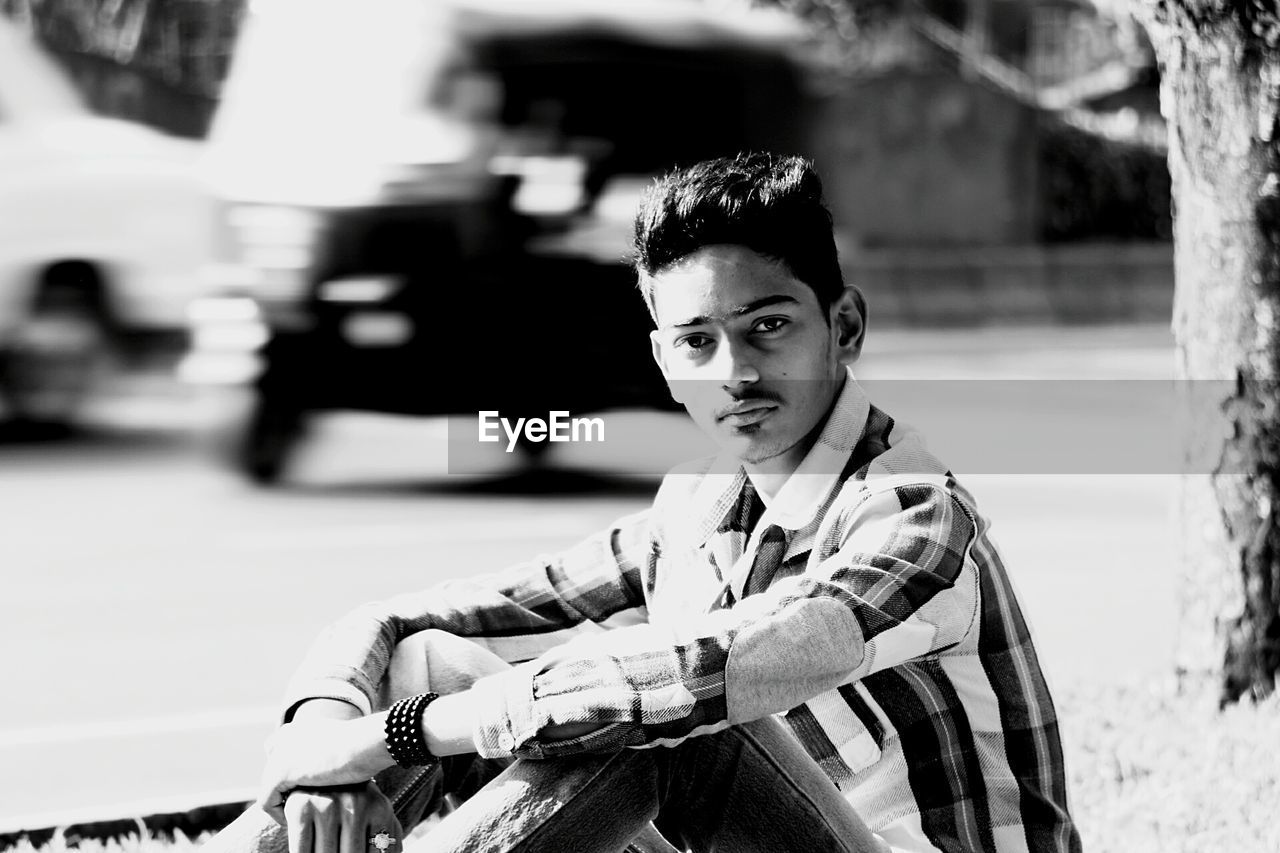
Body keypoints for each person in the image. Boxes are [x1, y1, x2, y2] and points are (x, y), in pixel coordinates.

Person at [204, 153, 1081, 853]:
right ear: (663, 361)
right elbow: (411, 620)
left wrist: (401, 735)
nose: (735, 372)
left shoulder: (918, 517)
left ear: (844, 326)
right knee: (434, 658)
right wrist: (321, 736)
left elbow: (703, 676)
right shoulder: (698, 507)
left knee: (669, 716)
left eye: (768, 326)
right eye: (698, 341)